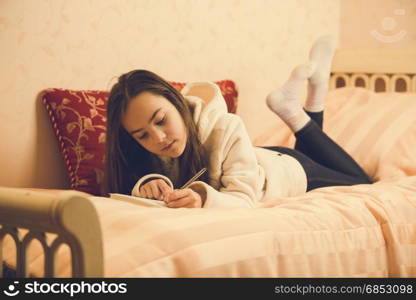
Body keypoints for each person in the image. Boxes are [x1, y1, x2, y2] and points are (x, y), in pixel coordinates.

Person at [103, 35, 372, 209]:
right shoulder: (149, 150)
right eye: (142, 135)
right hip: (258, 159)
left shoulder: (225, 127)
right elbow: (126, 188)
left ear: (176, 102)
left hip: (287, 171)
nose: (158, 138)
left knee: (363, 182)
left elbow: (243, 199)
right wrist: (146, 186)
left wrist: (203, 198)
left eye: (161, 120)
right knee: (322, 157)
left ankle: (295, 110)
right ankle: (311, 93)